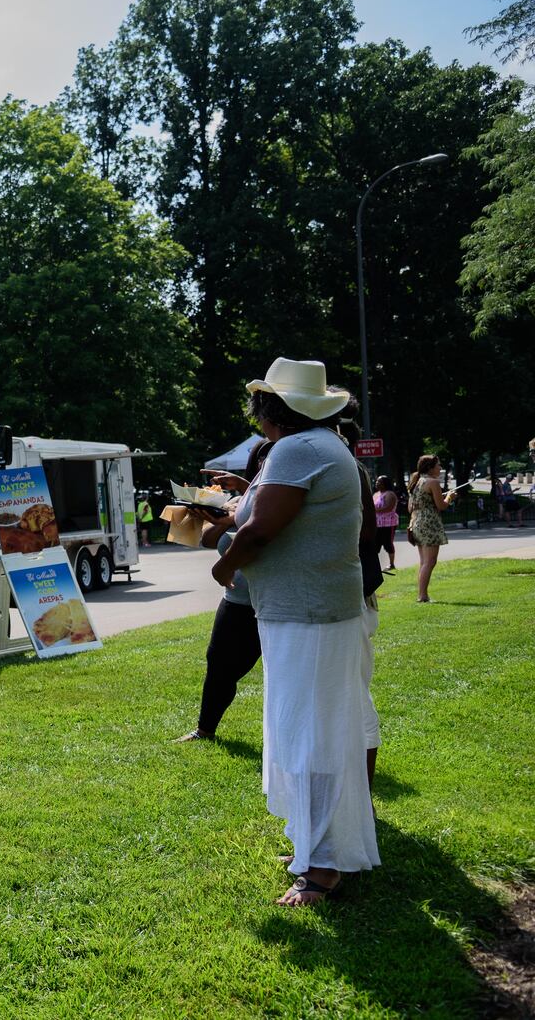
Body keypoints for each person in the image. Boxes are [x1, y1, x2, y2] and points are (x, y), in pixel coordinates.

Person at [212, 357, 378, 906]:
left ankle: (325, 865)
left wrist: (226, 565)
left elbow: (260, 528)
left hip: (307, 613)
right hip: (314, 609)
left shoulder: (297, 449)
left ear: (271, 408)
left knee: (311, 736)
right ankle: (314, 844)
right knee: (314, 729)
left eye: (259, 406)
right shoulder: (327, 446)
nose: (257, 416)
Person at [174, 440, 271, 743]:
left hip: (275, 599)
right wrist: (227, 516)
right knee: (219, 663)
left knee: (280, 671)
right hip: (237, 599)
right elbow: (206, 540)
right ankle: (205, 730)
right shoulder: (241, 500)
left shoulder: (283, 499)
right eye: (262, 461)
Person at [407, 455, 457, 603]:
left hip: (417, 522)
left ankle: (422, 595)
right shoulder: (433, 482)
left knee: (424, 562)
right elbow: (441, 506)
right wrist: (449, 497)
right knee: (430, 562)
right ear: (430, 467)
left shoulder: (416, 482)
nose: (440, 468)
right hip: (430, 524)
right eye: (438, 465)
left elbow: (410, 507)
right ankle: (422, 596)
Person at [373, 475, 399, 570]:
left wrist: (374, 510)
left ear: (385, 484)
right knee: (376, 544)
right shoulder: (376, 494)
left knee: (388, 543)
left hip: (389, 523)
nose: (377, 483)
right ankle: (375, 566)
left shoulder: (390, 494)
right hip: (377, 524)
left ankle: (392, 564)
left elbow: (389, 508)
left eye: (379, 482)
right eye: (377, 481)